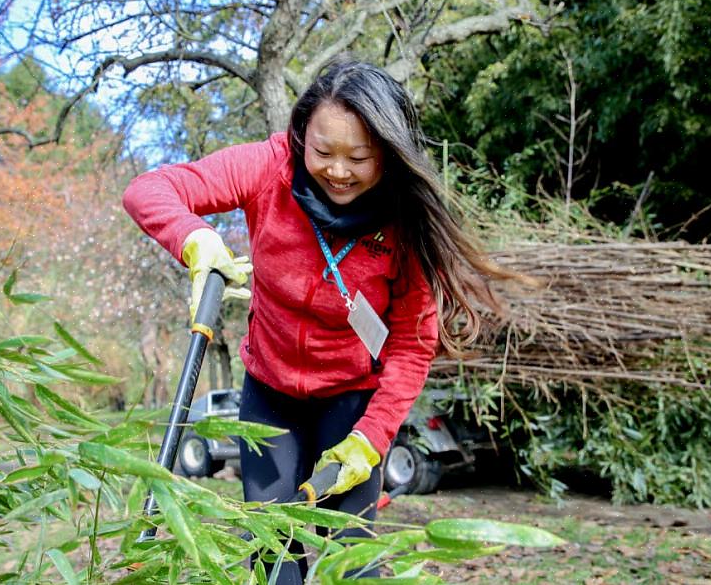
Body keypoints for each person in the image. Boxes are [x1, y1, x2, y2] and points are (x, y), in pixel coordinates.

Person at [122, 57, 514, 583]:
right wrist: (195, 238)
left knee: (350, 560)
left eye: (360, 157)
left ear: (389, 154)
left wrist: (372, 438)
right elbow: (149, 190)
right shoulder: (271, 167)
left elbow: (412, 343)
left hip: (352, 401)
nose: (338, 170)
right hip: (269, 393)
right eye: (324, 151)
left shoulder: (404, 220)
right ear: (302, 133)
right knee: (271, 549)